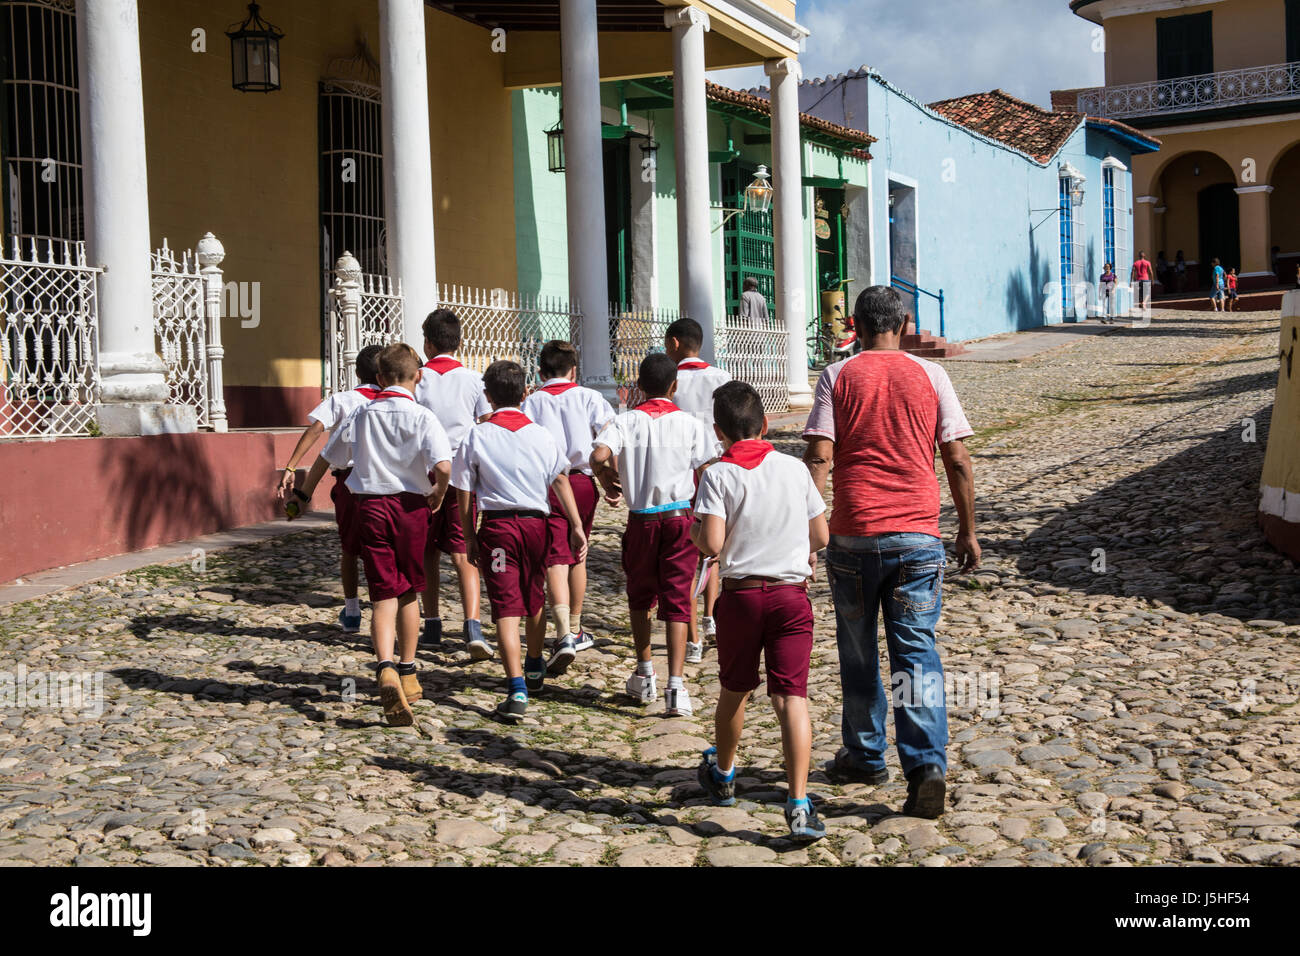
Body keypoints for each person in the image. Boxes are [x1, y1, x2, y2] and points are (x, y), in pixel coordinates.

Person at [803, 286, 980, 820]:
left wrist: (810, 533)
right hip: (919, 537)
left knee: (858, 653)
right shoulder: (932, 376)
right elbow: (957, 458)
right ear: (903, 323)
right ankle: (926, 766)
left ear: (854, 325)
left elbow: (818, 459)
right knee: (916, 653)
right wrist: (968, 530)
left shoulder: (837, 376)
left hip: (854, 534)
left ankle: (863, 755)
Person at [692, 382, 830, 842]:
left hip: (742, 597)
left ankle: (726, 774)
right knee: (793, 696)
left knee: (735, 690)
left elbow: (712, 544)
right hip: (792, 598)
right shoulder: (794, 469)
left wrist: (697, 535)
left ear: (719, 431)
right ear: (766, 424)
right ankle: (797, 803)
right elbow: (822, 536)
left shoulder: (718, 475)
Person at [320, 344, 453, 726]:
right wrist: (439, 492)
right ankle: (409, 671)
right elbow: (443, 466)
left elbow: (335, 456)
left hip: (371, 507)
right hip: (411, 507)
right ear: (419, 377)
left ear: (379, 378)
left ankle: (385, 668)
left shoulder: (361, 412)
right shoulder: (423, 416)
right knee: (410, 588)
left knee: (381, 594)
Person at [452, 360, 588, 724]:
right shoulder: (541, 435)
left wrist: (469, 535)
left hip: (498, 530)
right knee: (534, 596)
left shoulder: (477, 436)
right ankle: (533, 666)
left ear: (487, 396)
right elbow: (560, 479)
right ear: (525, 393)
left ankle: (515, 688)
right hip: (537, 525)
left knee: (506, 609)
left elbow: (464, 491)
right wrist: (575, 524)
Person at [591, 353, 712, 717]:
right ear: (674, 386)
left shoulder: (625, 421)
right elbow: (707, 468)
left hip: (641, 518)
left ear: (639, 386)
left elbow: (598, 455)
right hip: (679, 518)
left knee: (640, 596)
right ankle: (676, 687)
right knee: (678, 598)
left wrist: (607, 479)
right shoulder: (690, 424)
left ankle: (645, 672)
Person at [276, 344, 385, 633]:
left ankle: (352, 611)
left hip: (349, 482)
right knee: (381, 549)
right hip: (385, 482)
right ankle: (384, 606)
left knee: (350, 549)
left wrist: (291, 466)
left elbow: (315, 430)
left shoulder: (343, 400)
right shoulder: (395, 402)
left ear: (357, 373)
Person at [521, 340, 616, 673]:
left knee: (554, 558)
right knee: (579, 553)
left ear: (540, 370)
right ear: (574, 369)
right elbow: (609, 438)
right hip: (582, 483)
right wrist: (608, 478)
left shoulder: (531, 403)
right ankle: (574, 627)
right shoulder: (590, 397)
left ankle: (562, 632)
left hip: (547, 484)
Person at [415, 310, 492, 657]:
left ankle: (431, 623)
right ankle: (472, 625)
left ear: (428, 343)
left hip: (425, 472)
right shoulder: (474, 379)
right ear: (458, 341)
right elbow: (487, 423)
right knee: (464, 551)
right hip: (462, 473)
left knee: (428, 549)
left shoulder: (417, 379)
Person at [663, 317, 731, 663]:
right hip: (719, 468)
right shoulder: (721, 377)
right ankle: (710, 617)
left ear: (674, 343)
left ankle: (691, 637)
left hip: (684, 474)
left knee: (690, 555)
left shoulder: (671, 381)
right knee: (714, 548)